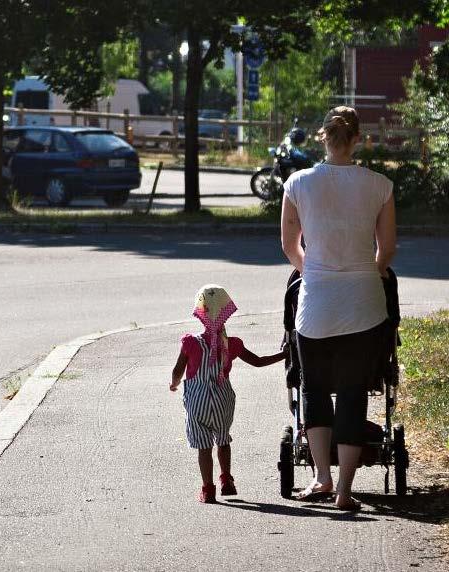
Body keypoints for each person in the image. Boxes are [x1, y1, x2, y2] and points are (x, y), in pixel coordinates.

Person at [280, 106, 396, 511]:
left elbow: (289, 246)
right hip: (364, 304)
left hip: (316, 307)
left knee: (313, 390)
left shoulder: (298, 183)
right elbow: (387, 251)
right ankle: (346, 491)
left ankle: (320, 478)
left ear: (322, 138)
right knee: (352, 395)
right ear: (358, 138)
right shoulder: (379, 185)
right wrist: (369, 272)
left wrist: (312, 270)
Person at [170, 284, 284, 504]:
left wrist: (174, 384)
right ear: (227, 313)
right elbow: (258, 362)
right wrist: (284, 354)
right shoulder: (232, 344)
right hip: (223, 399)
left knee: (204, 447)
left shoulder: (190, 342)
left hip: (197, 401)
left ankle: (208, 489)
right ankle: (227, 480)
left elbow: (178, 370)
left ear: (200, 313)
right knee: (222, 440)